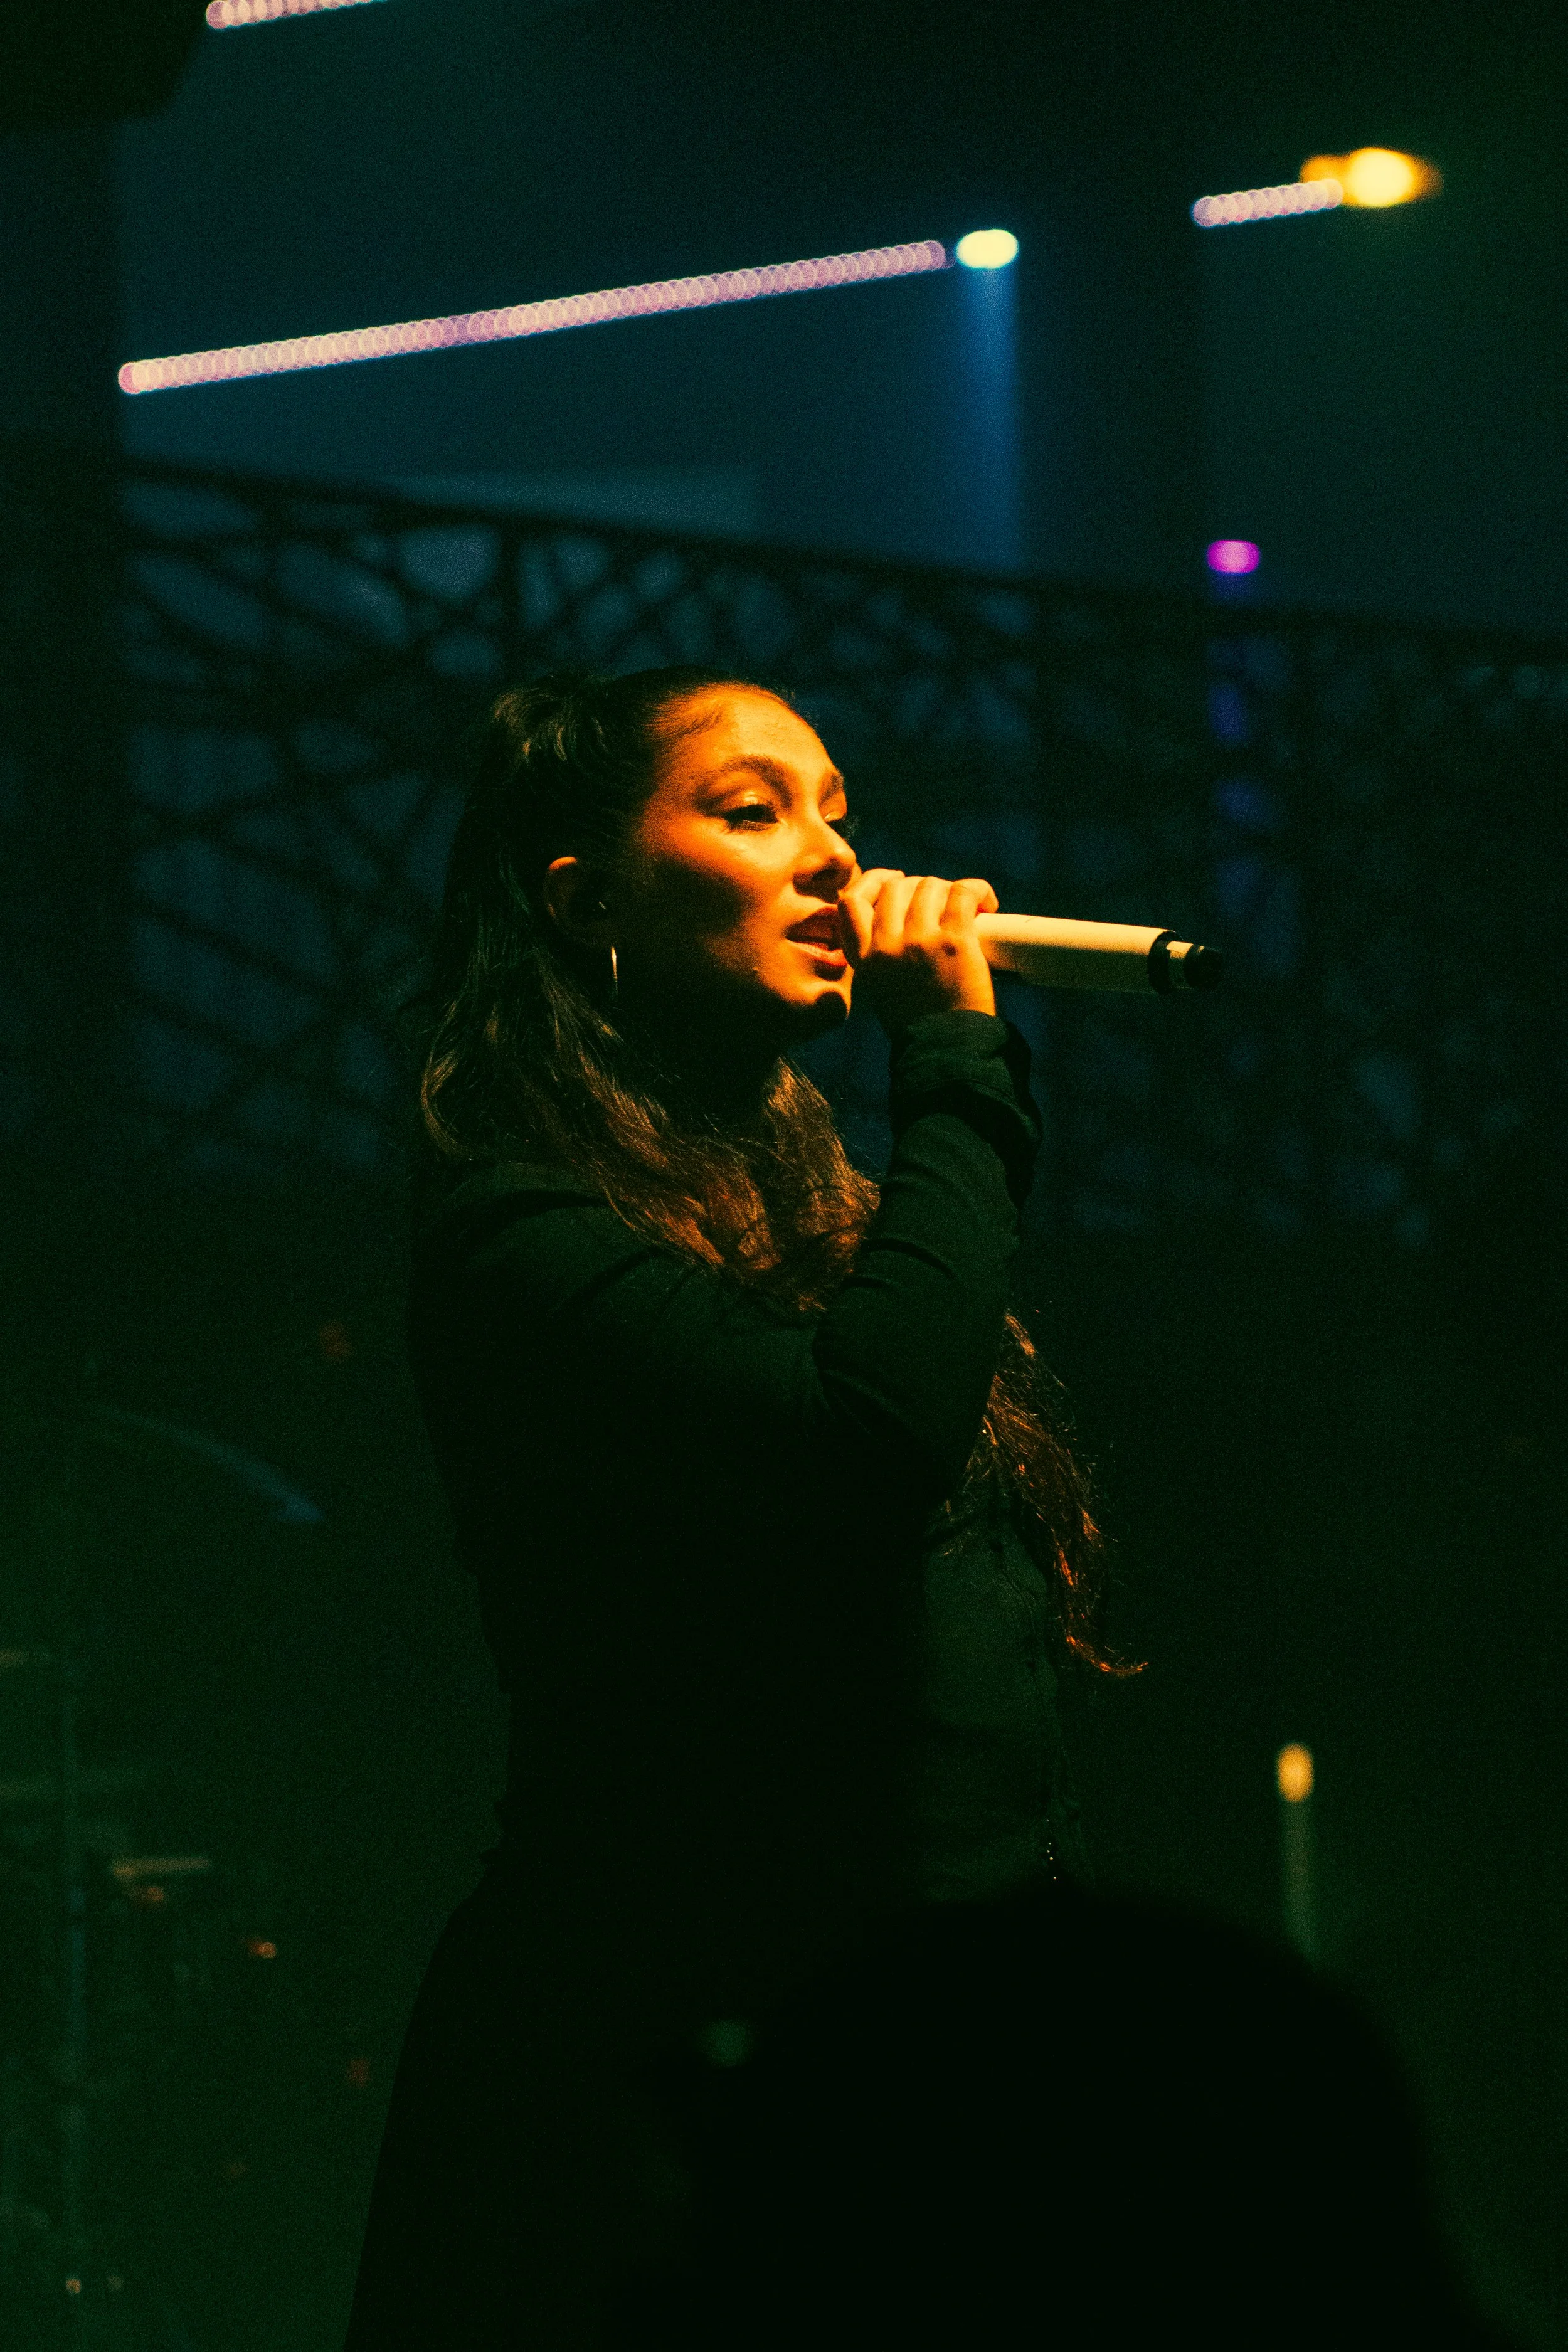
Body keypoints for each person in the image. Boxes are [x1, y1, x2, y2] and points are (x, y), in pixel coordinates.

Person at [342, 664, 1118, 2349]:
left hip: (919, 2055)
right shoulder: (518, 1236)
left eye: (838, 809)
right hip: (671, 2086)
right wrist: (960, 1067)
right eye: (755, 807)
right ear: (587, 897)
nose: (837, 857)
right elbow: (858, 1446)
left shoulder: (810, 1207)